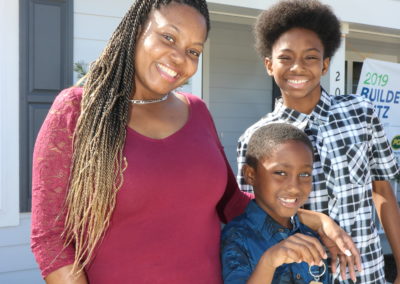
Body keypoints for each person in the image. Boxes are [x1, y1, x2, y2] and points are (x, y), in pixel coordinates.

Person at [31, 0, 360, 283]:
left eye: (193, 51)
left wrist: (313, 219)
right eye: (168, 37)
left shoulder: (197, 112)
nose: (179, 57)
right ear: (136, 29)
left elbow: (232, 204)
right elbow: (50, 239)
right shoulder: (78, 110)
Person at [236, 0, 400, 283]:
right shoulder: (254, 139)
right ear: (268, 65)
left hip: (368, 272)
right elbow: (251, 214)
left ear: (325, 65)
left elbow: (382, 188)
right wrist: (318, 220)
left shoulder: (361, 112)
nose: (297, 67)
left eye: (310, 57)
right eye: (285, 57)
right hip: (300, 276)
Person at [222, 123, 331, 283]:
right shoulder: (237, 237)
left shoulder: (309, 236)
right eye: (280, 173)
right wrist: (269, 262)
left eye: (304, 174)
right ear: (250, 174)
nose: (294, 188)